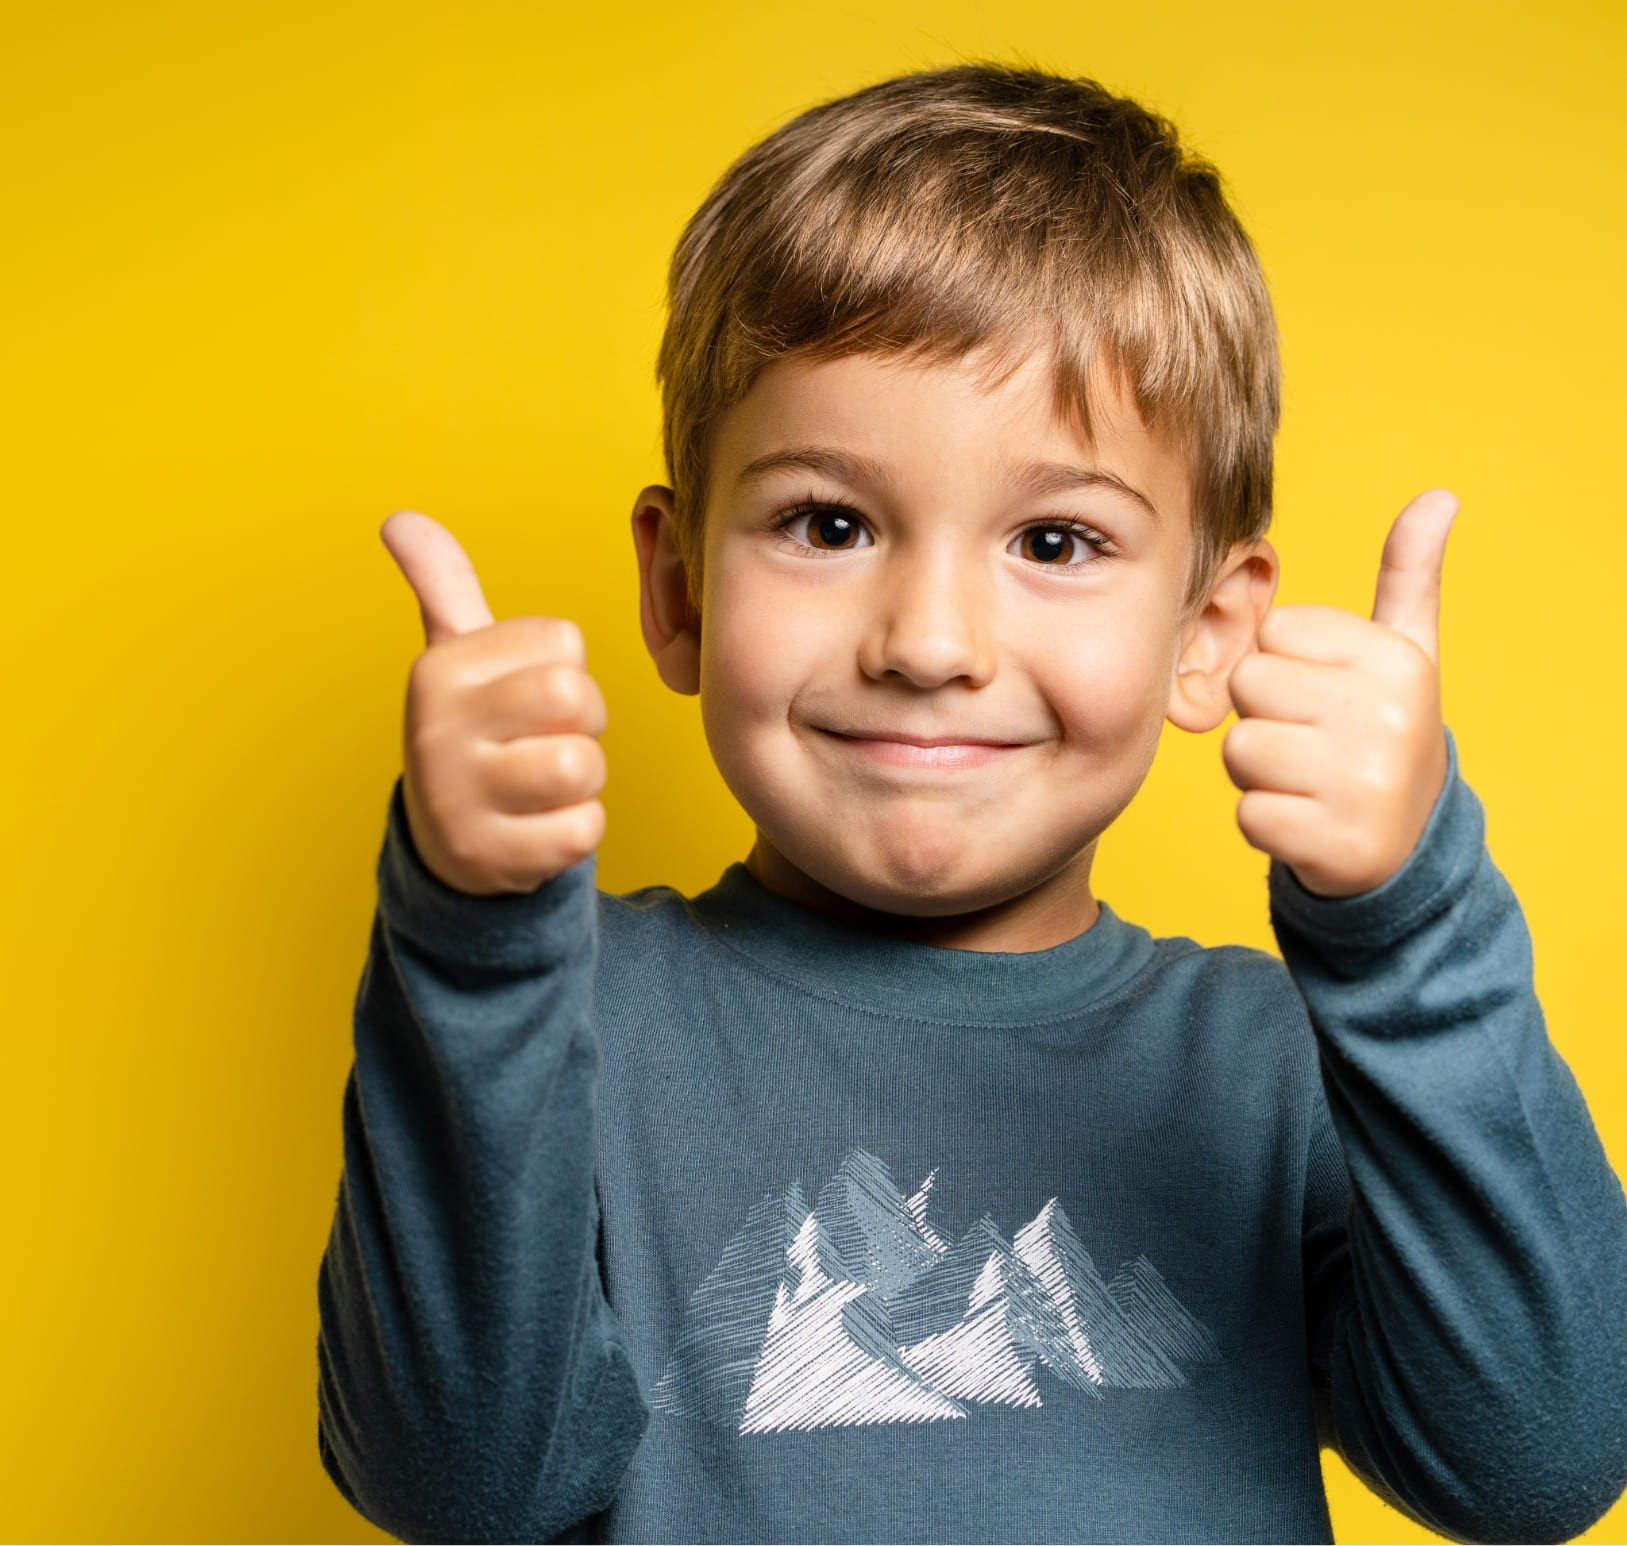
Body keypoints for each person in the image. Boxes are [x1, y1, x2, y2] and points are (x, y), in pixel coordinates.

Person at [316, 63, 1627, 1543]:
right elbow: (459, 1487)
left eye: (1056, 541)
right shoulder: (583, 1022)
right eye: (828, 524)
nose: (931, 643)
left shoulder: (1272, 1066)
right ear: (679, 590)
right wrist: (474, 946)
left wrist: (1409, 926)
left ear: (1207, 632)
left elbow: (1538, 1462)